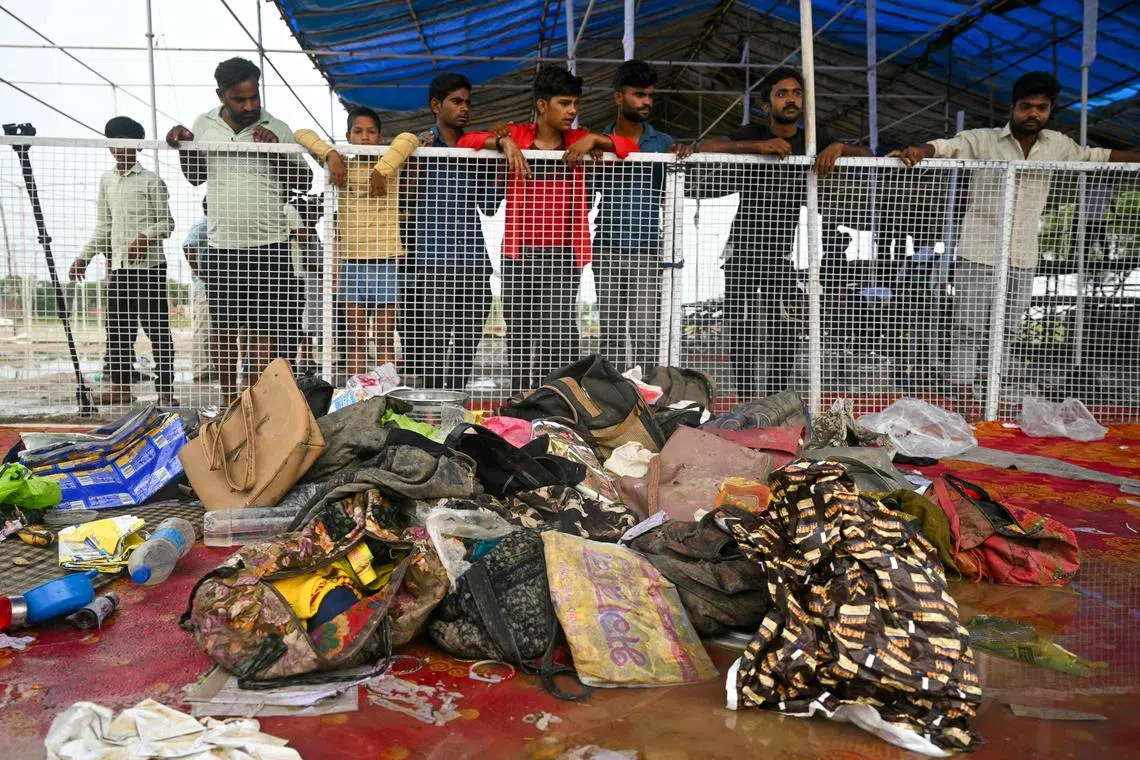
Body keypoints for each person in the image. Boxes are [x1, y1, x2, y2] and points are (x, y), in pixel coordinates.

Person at [893, 71, 1140, 420]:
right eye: (1026, 107)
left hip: (1023, 254)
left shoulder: (1058, 145)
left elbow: (1096, 156)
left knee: (1007, 329)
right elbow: (950, 146)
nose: (1033, 114)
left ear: (1050, 110)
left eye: (1041, 108)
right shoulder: (985, 139)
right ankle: (965, 399)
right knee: (969, 326)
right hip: (979, 249)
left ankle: (990, 394)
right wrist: (921, 150)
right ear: (1013, 108)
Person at [459, 67, 639, 392]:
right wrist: (504, 143)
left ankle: (555, 403)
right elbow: (465, 141)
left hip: (563, 255)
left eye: (574, 104)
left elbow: (631, 147)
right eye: (564, 103)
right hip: (519, 253)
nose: (571, 111)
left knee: (556, 335)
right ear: (543, 106)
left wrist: (595, 138)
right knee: (519, 337)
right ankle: (520, 401)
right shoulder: (517, 135)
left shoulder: (577, 140)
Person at [697, 67, 871, 401]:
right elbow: (707, 145)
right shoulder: (755, 131)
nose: (790, 100)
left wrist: (837, 147)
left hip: (781, 254)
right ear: (767, 105)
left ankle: (776, 400)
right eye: (781, 94)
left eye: (795, 93)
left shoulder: (810, 139)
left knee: (786, 330)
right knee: (742, 329)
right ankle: (747, 400)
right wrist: (757, 146)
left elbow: (868, 154)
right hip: (742, 252)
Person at [165, 57, 312, 403]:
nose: (249, 106)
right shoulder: (203, 125)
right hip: (222, 244)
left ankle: (257, 400)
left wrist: (275, 150)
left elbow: (304, 181)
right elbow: (195, 175)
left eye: (253, 97)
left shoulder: (277, 127)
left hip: (270, 244)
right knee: (225, 328)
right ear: (221, 95)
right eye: (239, 99)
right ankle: (229, 398)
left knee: (263, 331)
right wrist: (183, 146)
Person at [295, 107, 419, 376]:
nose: (365, 137)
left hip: (385, 263)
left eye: (371, 132)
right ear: (348, 136)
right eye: (358, 131)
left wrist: (382, 171)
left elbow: (409, 137)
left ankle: (386, 393)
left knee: (385, 338)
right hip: (351, 265)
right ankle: (359, 395)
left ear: (380, 137)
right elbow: (301, 133)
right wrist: (331, 154)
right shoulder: (341, 167)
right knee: (356, 340)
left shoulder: (391, 168)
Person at [402, 73, 504, 390]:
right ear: (436, 105)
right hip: (432, 263)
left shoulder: (475, 150)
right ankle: (429, 420)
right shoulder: (419, 146)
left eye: (467, 103)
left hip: (474, 263)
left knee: (464, 351)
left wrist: (496, 164)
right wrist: (416, 160)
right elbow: (403, 199)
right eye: (456, 101)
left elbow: (489, 206)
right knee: (432, 348)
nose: (464, 108)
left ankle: (454, 420)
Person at [592, 60, 692, 372]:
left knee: (645, 330)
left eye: (650, 95)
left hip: (648, 250)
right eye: (638, 94)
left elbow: (670, 193)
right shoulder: (599, 141)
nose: (646, 101)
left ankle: (647, 399)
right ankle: (614, 400)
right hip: (606, 249)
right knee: (610, 333)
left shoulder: (662, 143)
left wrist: (683, 154)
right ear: (618, 98)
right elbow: (585, 193)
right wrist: (593, 162)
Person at [70, 116, 175, 407]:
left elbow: (167, 223)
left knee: (156, 330)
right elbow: (104, 226)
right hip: (119, 268)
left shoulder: (152, 181)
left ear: (138, 145)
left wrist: (145, 236)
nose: (119, 148)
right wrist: (84, 256)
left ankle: (165, 390)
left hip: (150, 268)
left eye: (126, 141)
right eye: (114, 141)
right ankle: (120, 388)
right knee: (118, 330)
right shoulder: (107, 181)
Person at [284, 193, 323, 375]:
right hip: (300, 277)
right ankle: (301, 358)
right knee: (301, 322)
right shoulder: (297, 227)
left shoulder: (313, 232)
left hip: (312, 283)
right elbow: (307, 257)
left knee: (307, 322)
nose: (318, 217)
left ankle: (306, 358)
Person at [182, 198, 214, 384]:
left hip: (212, 285)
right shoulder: (203, 224)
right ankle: (201, 370)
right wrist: (199, 271)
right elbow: (188, 246)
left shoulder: (211, 224)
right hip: (204, 287)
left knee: (211, 328)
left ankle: (208, 368)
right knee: (203, 327)